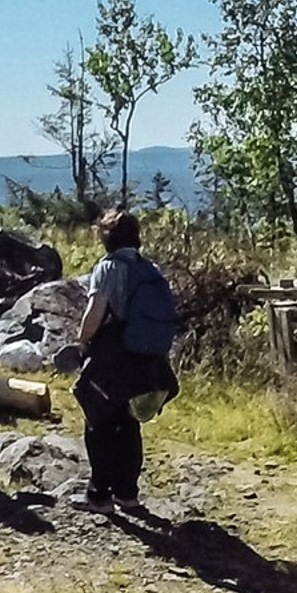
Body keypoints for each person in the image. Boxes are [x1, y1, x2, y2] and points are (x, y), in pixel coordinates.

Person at [73, 209, 179, 506]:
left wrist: (82, 343)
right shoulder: (151, 269)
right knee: (129, 422)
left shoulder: (108, 268)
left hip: (113, 355)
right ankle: (127, 492)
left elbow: (95, 312)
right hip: (146, 358)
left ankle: (99, 494)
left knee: (99, 420)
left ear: (107, 237)